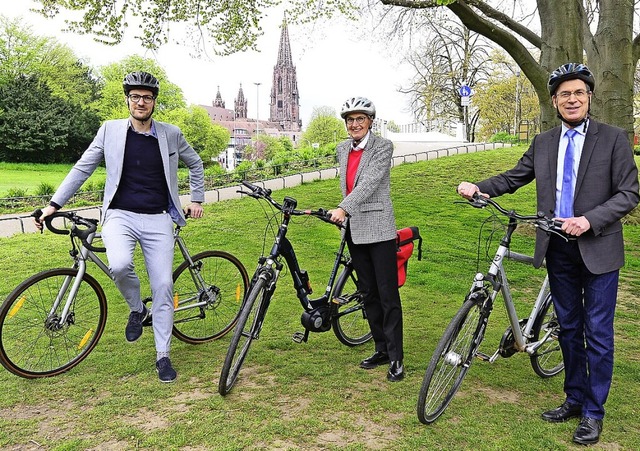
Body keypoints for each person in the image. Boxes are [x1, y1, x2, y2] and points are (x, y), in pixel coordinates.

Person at [457, 63, 639, 445]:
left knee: (598, 333)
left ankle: (593, 412)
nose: (571, 99)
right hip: (556, 247)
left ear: (589, 97)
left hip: (599, 249)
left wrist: (589, 220)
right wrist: (479, 186)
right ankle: (574, 398)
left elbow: (628, 193)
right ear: (554, 102)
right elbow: (514, 177)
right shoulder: (543, 143)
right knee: (569, 329)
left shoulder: (613, 138)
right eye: (564, 95)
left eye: (578, 93)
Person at [35, 71, 205, 383]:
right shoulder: (110, 131)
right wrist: (53, 205)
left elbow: (195, 163)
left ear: (154, 102)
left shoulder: (171, 133)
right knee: (120, 264)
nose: (141, 102)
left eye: (147, 97)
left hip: (158, 218)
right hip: (119, 215)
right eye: (136, 97)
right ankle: (137, 308)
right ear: (127, 100)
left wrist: (196, 198)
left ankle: (163, 355)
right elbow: (83, 167)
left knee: (164, 285)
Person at [328, 97, 404, 382]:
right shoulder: (341, 149)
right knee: (368, 293)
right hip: (355, 230)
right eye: (350, 120)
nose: (355, 124)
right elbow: (348, 183)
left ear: (370, 121)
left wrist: (343, 207)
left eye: (360, 119)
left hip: (380, 231)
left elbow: (370, 182)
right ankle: (381, 348)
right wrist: (344, 211)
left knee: (387, 295)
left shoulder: (382, 147)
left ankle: (397, 358)